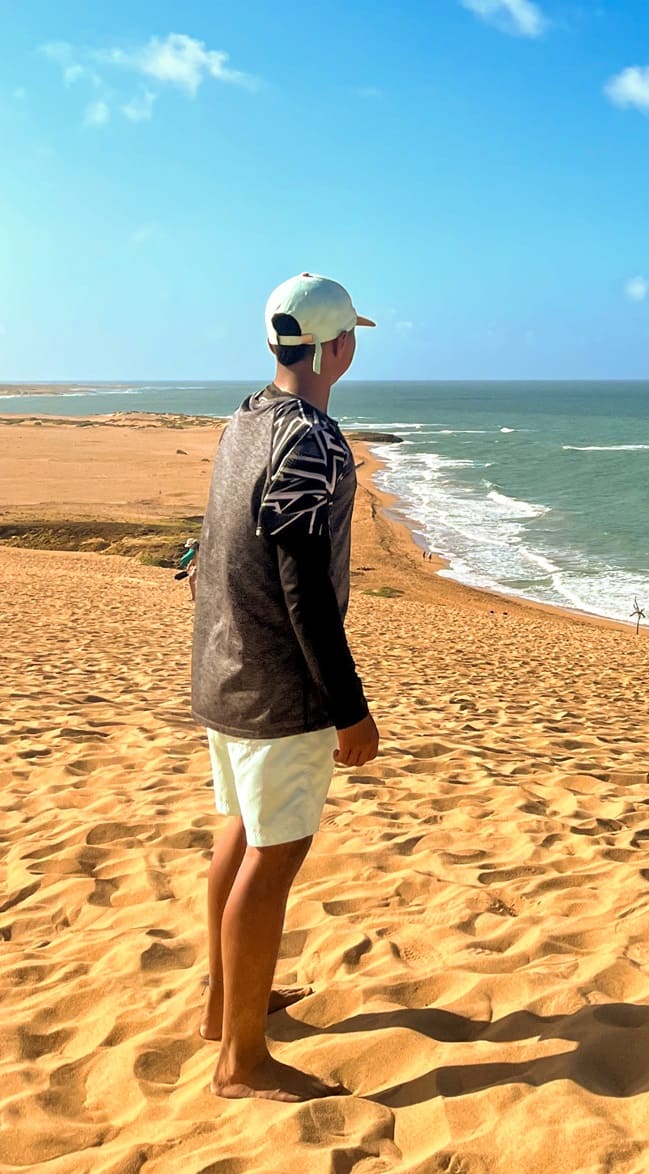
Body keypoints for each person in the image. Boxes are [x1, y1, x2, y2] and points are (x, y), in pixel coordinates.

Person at [191, 273, 380, 1102]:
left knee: (237, 833)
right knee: (274, 857)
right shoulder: (314, 439)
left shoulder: (245, 417)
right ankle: (243, 1060)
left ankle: (224, 1004)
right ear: (338, 347)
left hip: (223, 670)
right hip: (280, 688)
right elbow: (303, 586)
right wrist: (349, 707)